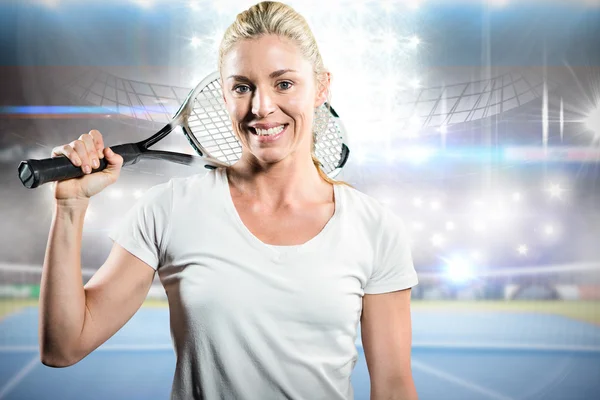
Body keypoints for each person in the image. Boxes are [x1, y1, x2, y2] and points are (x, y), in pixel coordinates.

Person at [39, 2, 419, 399]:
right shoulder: (167, 210)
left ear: (321, 87)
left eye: (284, 83)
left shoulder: (375, 228)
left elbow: (393, 387)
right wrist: (70, 207)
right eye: (242, 87)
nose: (261, 107)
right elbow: (63, 347)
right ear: (224, 95)